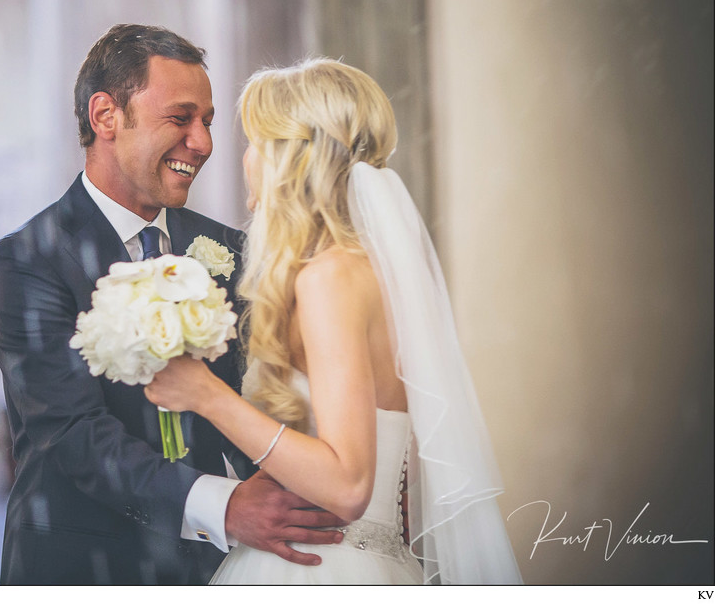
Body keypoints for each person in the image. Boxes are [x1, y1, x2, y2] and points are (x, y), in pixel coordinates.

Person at [0, 25, 345, 585]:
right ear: (105, 116)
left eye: (207, 122)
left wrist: (314, 489)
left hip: (211, 570)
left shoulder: (231, 250)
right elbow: (72, 435)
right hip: (80, 569)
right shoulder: (28, 260)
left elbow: (258, 401)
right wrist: (225, 506)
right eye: (181, 119)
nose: (202, 143)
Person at [145, 58, 524, 584]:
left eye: (256, 141)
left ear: (291, 157)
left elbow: (348, 484)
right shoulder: (370, 271)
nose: (246, 158)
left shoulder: (330, 278)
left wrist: (207, 395)